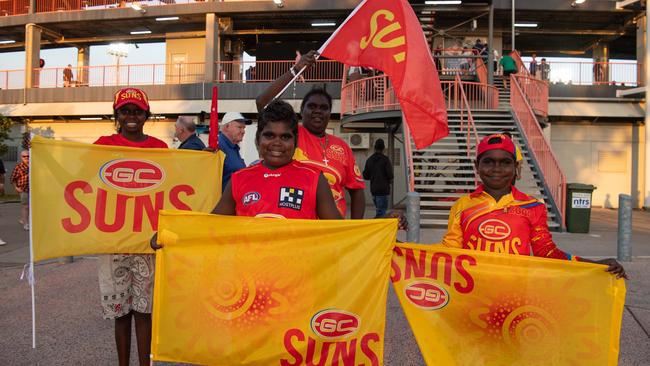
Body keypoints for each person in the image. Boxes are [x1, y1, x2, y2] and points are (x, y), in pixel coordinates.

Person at [442, 134, 626, 279]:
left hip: (516, 294)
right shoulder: (462, 205)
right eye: (488, 162)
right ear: (477, 166)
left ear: (515, 167)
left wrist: (594, 264)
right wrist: (413, 254)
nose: (496, 168)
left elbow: (546, 252)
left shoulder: (532, 207)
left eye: (505, 163)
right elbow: (448, 251)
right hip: (471, 291)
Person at [94, 87, 168, 366]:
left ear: (147, 114)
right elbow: (80, 177)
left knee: (144, 311)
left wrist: (207, 161)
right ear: (117, 114)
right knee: (120, 311)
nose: (132, 116)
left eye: (137, 110)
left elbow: (174, 185)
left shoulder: (160, 149)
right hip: (111, 242)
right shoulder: (103, 144)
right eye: (125, 110)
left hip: (146, 243)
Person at [256, 50, 366, 219]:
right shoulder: (290, 136)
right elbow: (262, 102)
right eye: (312, 106)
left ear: (330, 113)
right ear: (301, 110)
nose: (318, 112)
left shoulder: (342, 147)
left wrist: (353, 232)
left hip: (331, 231)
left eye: (324, 108)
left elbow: (357, 191)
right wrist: (295, 70)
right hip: (297, 226)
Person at [211, 100, 341, 219]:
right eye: (269, 135)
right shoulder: (238, 179)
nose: (277, 143)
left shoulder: (315, 179)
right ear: (258, 139)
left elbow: (338, 232)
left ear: (295, 141)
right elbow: (212, 228)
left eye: (285, 137)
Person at [218, 111, 252, 191]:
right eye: (239, 127)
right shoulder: (218, 146)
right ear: (226, 127)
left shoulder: (233, 147)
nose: (243, 131)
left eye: (244, 128)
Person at [363, 138, 393, 218]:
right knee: (382, 212)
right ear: (383, 148)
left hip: (374, 189)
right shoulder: (385, 160)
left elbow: (365, 176)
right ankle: (378, 227)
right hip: (384, 190)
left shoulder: (369, 160)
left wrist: (373, 176)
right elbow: (390, 175)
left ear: (374, 148)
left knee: (379, 210)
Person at [11, 150, 29, 231]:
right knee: (25, 206)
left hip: (33, 190)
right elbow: (12, 179)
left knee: (29, 207)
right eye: (24, 156)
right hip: (23, 189)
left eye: (28, 156)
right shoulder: (18, 167)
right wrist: (16, 187)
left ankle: (22, 219)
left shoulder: (33, 166)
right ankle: (25, 224)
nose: (26, 158)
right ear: (21, 157)